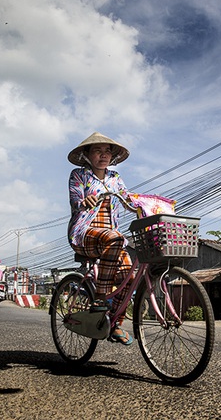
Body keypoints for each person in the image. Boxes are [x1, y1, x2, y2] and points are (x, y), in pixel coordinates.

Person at [67, 131, 136, 345]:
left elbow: (128, 199)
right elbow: (76, 198)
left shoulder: (115, 178)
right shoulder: (79, 175)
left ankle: (115, 325)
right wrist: (83, 201)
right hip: (85, 233)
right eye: (97, 150)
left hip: (111, 236)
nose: (103, 155)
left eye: (107, 151)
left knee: (129, 278)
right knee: (115, 238)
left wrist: (146, 205)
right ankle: (99, 298)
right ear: (87, 155)